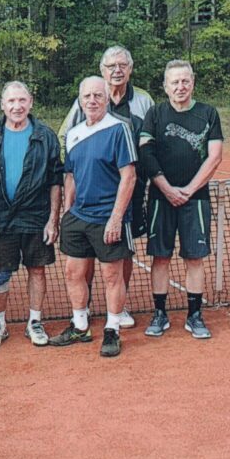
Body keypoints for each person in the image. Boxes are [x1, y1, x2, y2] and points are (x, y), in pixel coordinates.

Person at [58, 45, 154, 328]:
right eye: (111, 66)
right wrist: (79, 173)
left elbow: (151, 140)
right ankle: (84, 307)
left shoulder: (143, 101)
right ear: (102, 70)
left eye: (122, 65)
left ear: (130, 69)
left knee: (122, 252)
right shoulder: (87, 99)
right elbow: (66, 138)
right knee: (83, 254)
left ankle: (118, 310)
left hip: (129, 188)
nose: (117, 70)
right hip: (88, 194)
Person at [138, 60, 223, 339]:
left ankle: (194, 315)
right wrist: (167, 188)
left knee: (194, 258)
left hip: (196, 200)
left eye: (185, 81)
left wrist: (188, 189)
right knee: (160, 257)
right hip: (160, 199)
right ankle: (160, 313)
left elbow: (214, 156)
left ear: (193, 82)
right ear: (165, 86)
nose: (180, 86)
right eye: (174, 82)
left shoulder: (208, 113)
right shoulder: (155, 114)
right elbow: (146, 153)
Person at [53, 76, 136, 358]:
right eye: (87, 96)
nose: (92, 100)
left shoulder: (119, 129)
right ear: (80, 100)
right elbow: (71, 176)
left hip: (108, 216)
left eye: (98, 95)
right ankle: (80, 325)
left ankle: (112, 329)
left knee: (111, 275)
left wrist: (116, 218)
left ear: (106, 98)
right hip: (78, 217)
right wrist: (67, 212)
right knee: (73, 272)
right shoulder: (73, 133)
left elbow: (129, 176)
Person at [0, 81, 63, 349]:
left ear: (31, 102)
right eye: (12, 101)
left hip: (36, 215)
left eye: (22, 100)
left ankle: (34, 321)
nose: (17, 106)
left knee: (36, 269)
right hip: (0, 217)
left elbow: (55, 181)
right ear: (2, 105)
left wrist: (53, 219)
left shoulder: (46, 136)